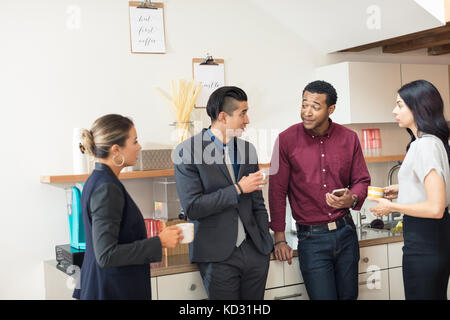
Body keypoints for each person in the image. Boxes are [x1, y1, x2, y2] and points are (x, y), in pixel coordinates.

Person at [269, 80, 371, 300]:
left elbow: (362, 180)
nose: (307, 112)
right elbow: (277, 191)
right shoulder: (285, 140)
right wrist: (279, 238)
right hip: (311, 239)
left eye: (315, 107)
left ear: (330, 109)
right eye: (304, 104)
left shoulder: (349, 138)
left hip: (346, 234)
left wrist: (351, 198)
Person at [174, 86, 274, 300]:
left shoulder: (248, 150)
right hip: (217, 256)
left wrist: (265, 242)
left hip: (255, 251)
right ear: (222, 117)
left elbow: (257, 201)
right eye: (242, 113)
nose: (247, 120)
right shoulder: (187, 152)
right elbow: (193, 207)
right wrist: (238, 189)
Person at [73, 114, 183, 300]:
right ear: (116, 150)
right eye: (135, 141)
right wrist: (160, 242)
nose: (139, 147)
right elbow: (106, 255)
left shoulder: (97, 180)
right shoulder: (107, 188)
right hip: (111, 290)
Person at [369, 80, 450, 300]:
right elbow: (434, 190)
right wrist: (403, 188)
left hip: (425, 243)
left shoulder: (424, 145)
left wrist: (390, 206)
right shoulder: (433, 141)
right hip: (433, 240)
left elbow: (436, 208)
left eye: (400, 105)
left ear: (418, 107)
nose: (394, 111)